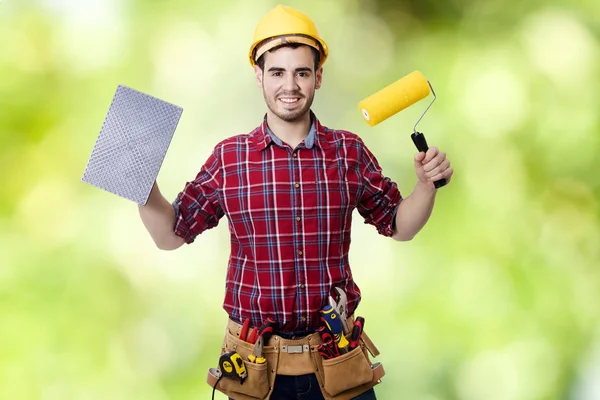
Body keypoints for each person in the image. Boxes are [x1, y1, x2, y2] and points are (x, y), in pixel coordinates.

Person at [138, 5, 453, 400]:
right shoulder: (230, 158)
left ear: (318, 77)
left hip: (337, 363)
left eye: (302, 72)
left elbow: (401, 226)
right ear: (259, 76)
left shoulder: (348, 152)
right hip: (255, 371)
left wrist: (425, 186)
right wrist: (140, 184)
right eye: (277, 72)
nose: (290, 84)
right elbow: (170, 235)